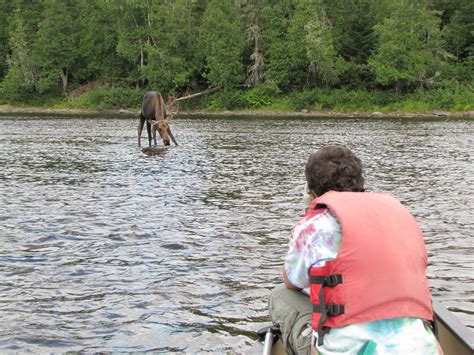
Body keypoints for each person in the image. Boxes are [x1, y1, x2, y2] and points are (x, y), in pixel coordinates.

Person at [269, 146, 442, 355]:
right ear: (359, 183)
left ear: (311, 191)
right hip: (421, 350)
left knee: (280, 294)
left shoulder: (313, 225)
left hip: (347, 351)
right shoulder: (398, 215)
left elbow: (293, 283)